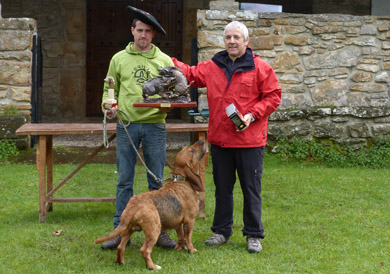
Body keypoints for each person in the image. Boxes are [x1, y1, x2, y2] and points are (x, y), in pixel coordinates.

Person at [172, 21, 281, 253]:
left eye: (236, 37)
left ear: (246, 41)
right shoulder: (213, 66)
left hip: (250, 142)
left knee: (250, 189)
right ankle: (221, 231)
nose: (232, 41)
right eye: (228, 37)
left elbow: (273, 97)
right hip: (221, 140)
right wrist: (163, 59)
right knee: (222, 189)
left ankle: (253, 234)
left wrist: (252, 115)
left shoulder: (260, 67)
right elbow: (190, 74)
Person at [100, 6, 176, 250]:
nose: (143, 35)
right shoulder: (118, 59)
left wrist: (168, 106)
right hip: (127, 124)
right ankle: (120, 230)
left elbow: (172, 93)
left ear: (153, 34)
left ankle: (161, 230)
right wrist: (108, 105)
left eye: (148, 31)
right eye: (139, 30)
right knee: (124, 180)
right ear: (132, 31)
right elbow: (108, 90)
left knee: (157, 181)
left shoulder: (164, 61)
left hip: (155, 124)